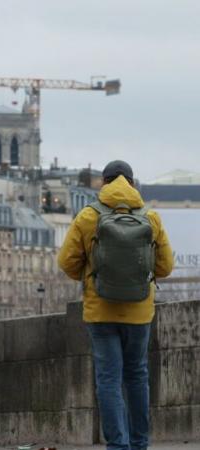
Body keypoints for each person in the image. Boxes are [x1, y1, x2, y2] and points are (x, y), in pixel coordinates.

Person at [58, 160, 174, 450]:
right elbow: (165, 267)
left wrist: (90, 278)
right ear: (132, 184)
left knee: (108, 379)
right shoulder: (151, 218)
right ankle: (140, 443)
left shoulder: (88, 217)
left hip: (100, 310)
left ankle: (117, 446)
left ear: (104, 183)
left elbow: (66, 262)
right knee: (137, 376)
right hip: (139, 311)